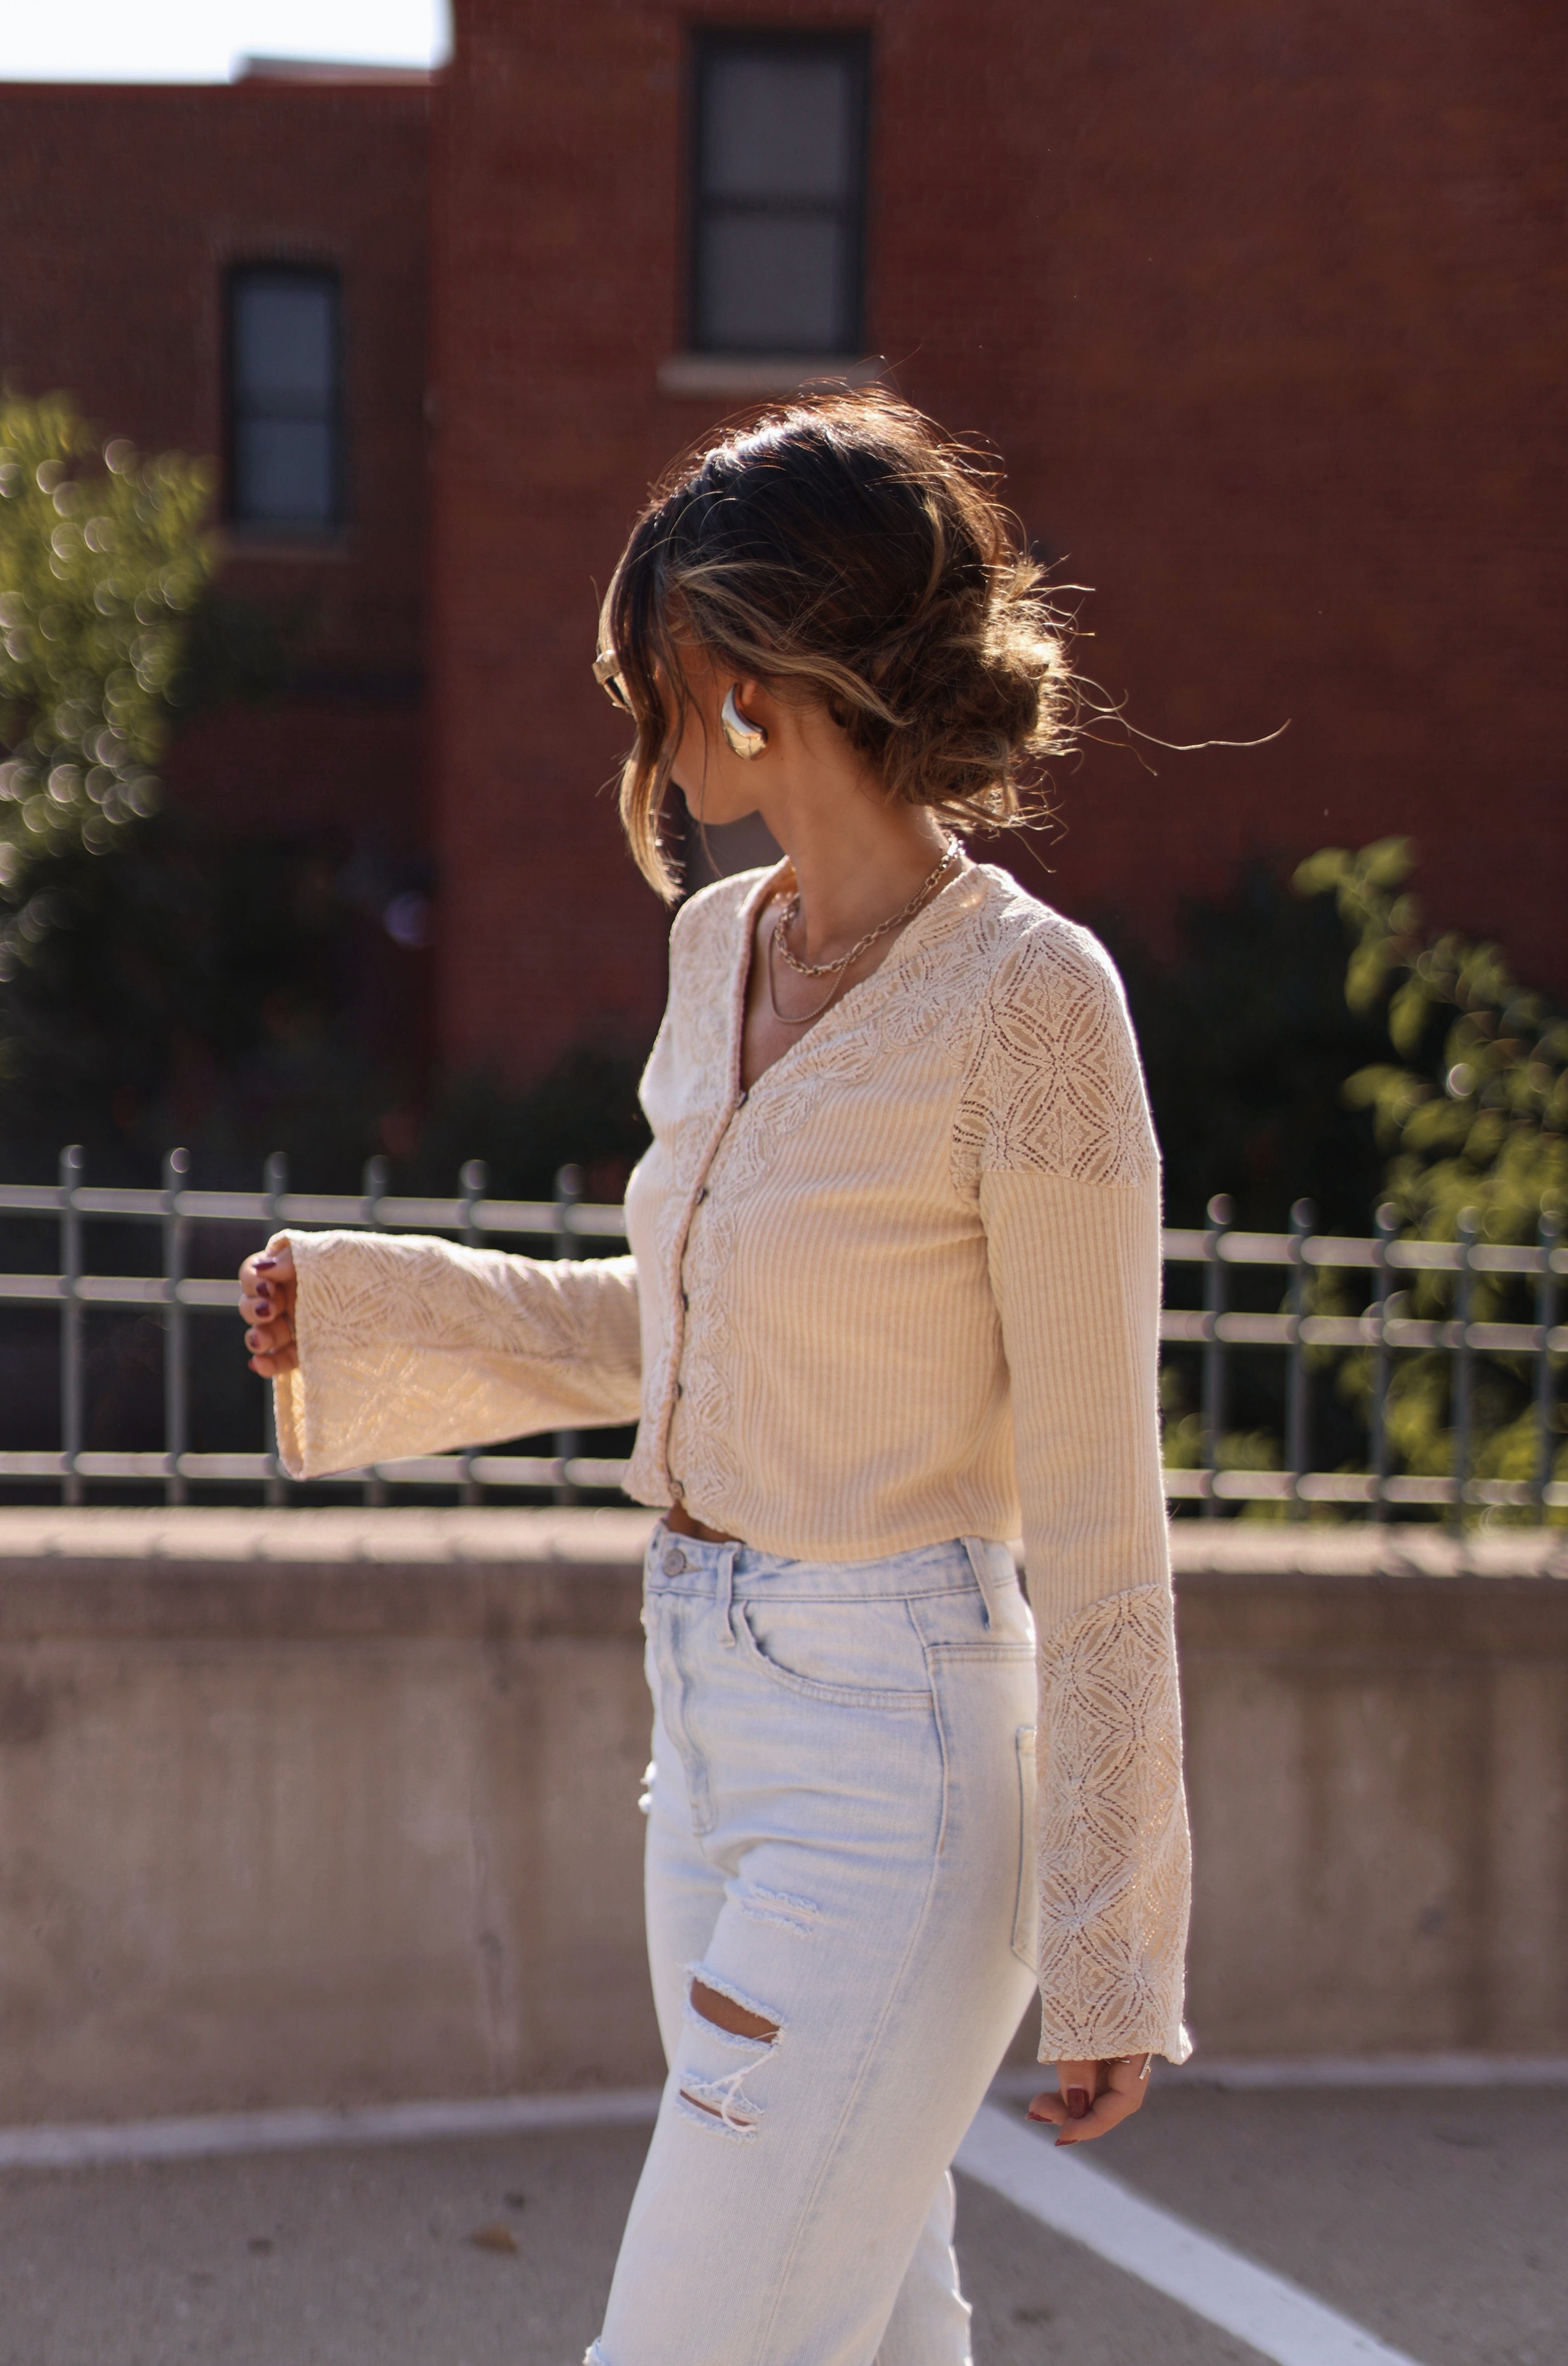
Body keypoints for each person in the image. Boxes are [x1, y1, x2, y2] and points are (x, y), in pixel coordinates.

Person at [238, 389, 1191, 2366]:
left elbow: (1105, 1515)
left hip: (899, 1766)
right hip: (709, 1743)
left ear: (754, 677)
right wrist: (375, 1312)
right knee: (867, 2333)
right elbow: (692, 1330)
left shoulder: (1034, 1007)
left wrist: (1116, 1941)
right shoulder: (713, 952)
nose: (646, 731)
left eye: (657, 678)